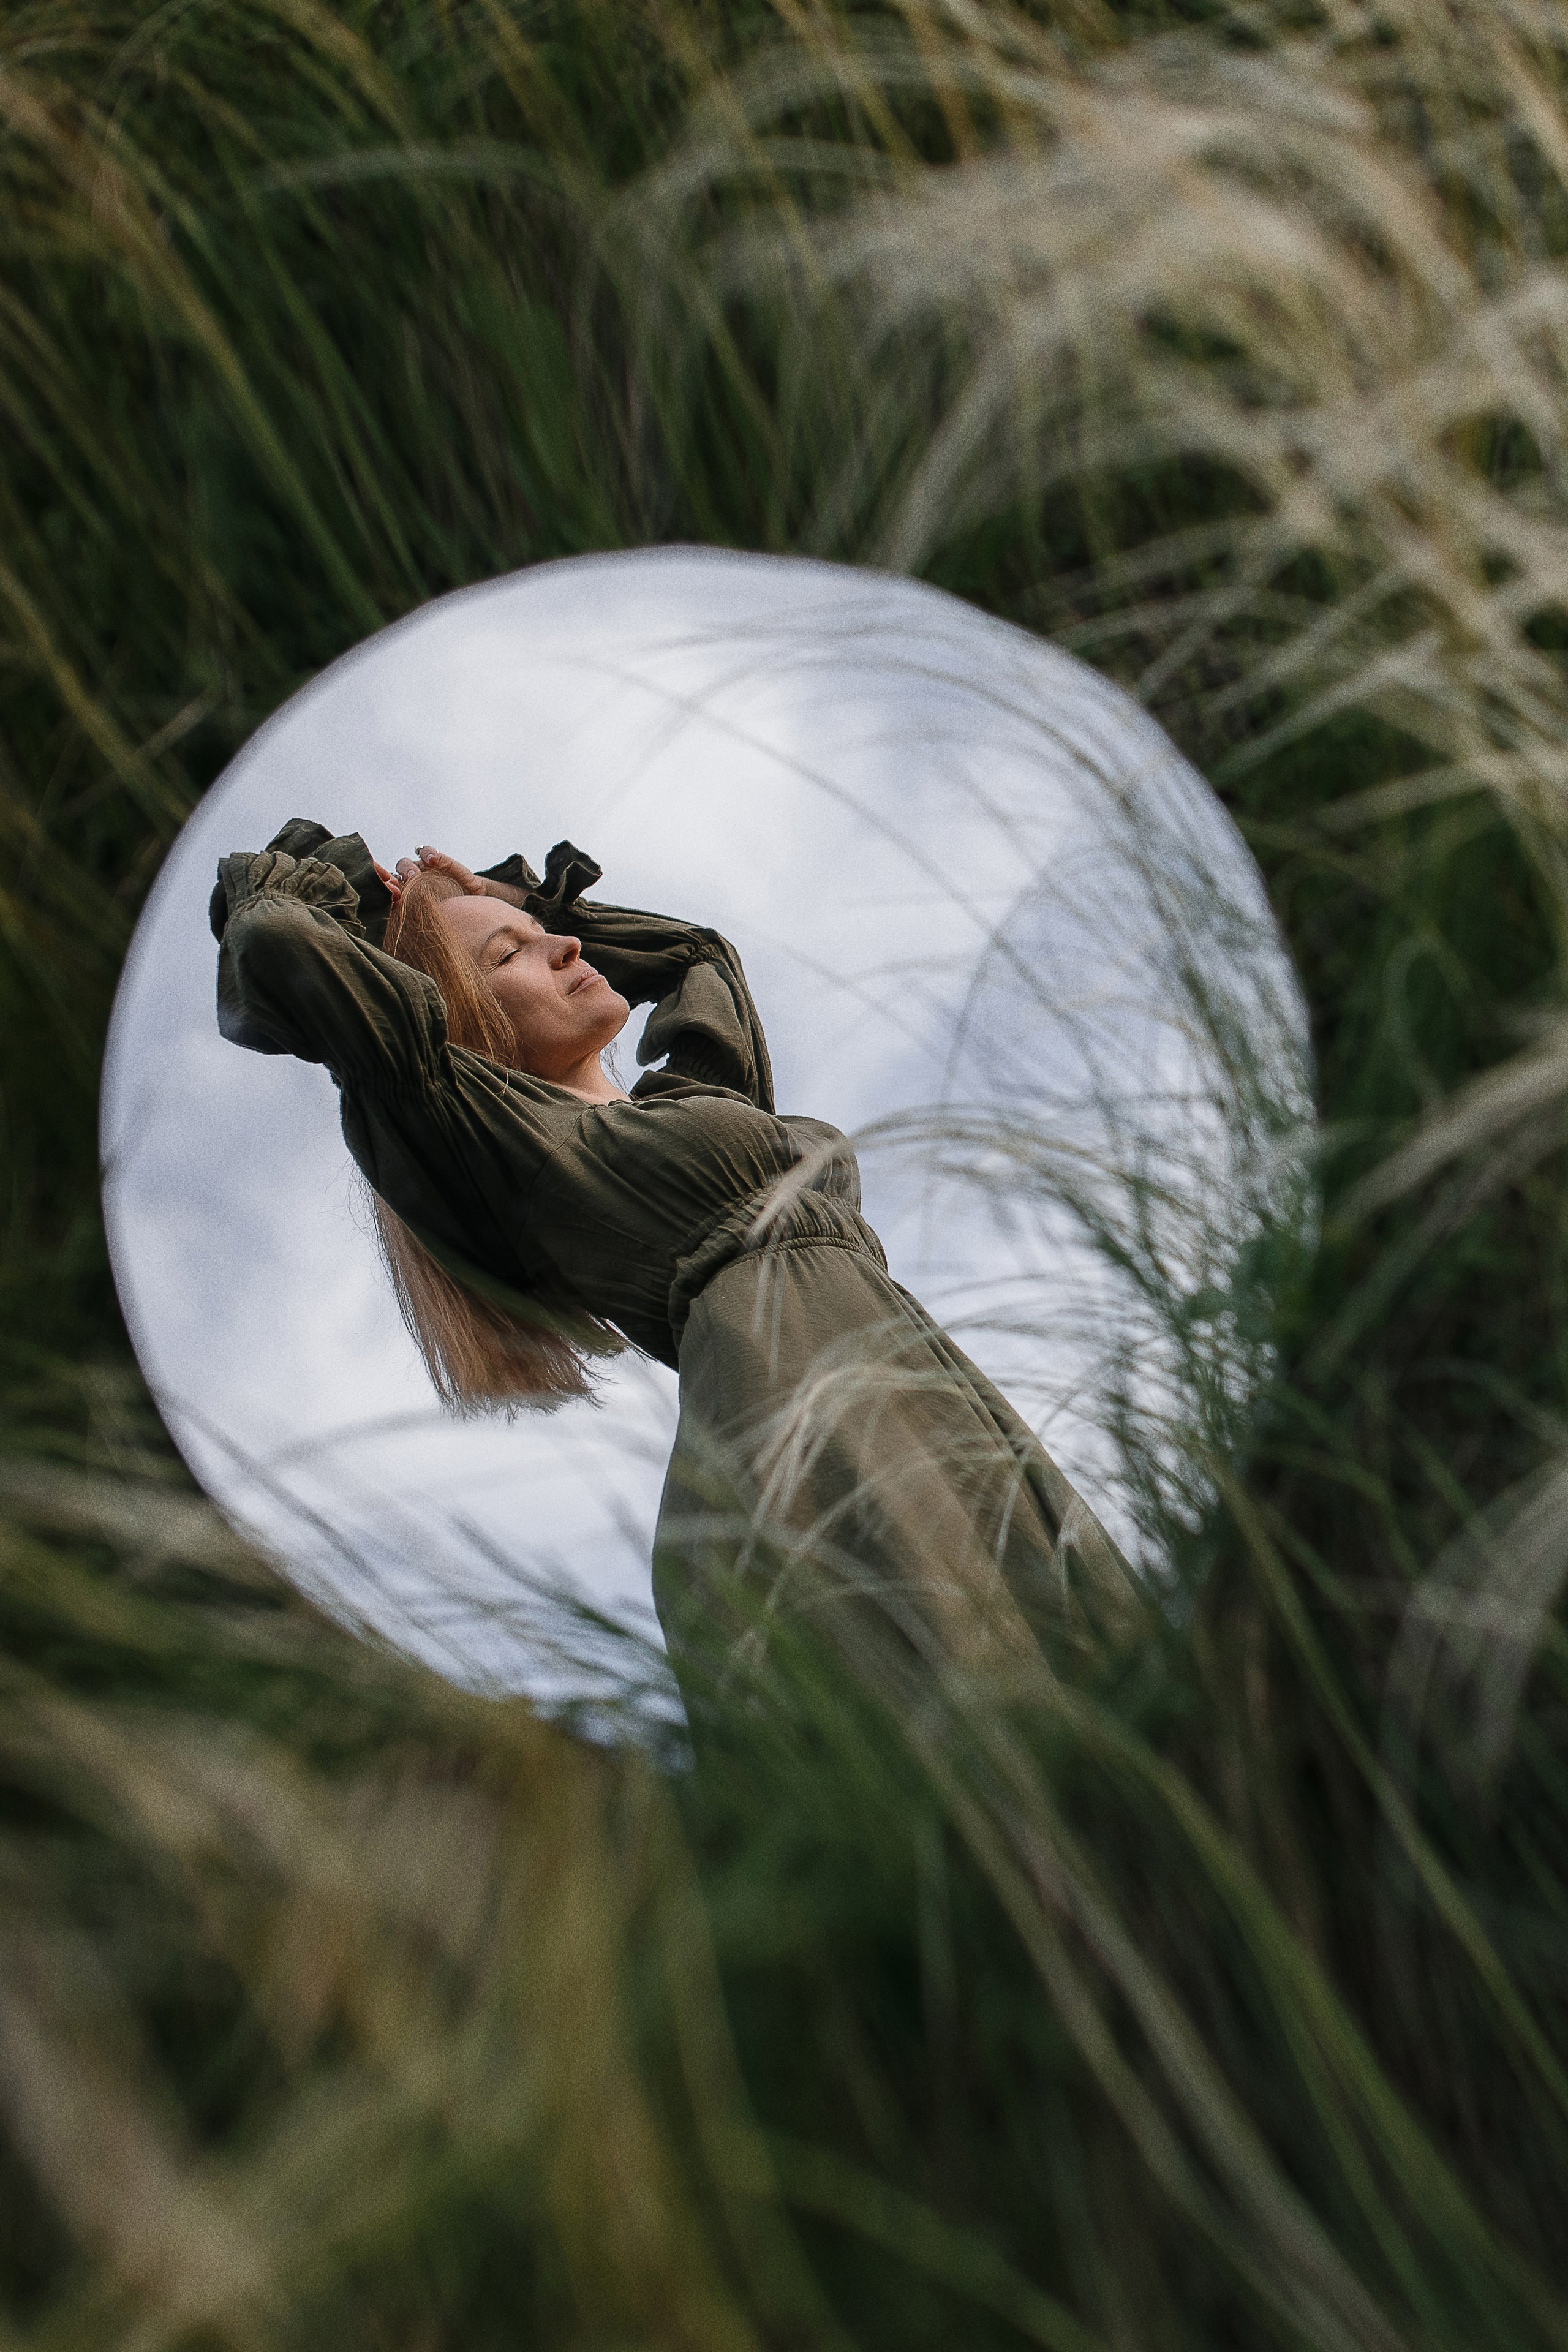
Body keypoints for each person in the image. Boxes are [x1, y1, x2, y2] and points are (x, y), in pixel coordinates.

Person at [211, 820, 1134, 1708]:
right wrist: (355, 896)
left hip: (912, 1374)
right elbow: (276, 943)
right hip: (786, 1405)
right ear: (459, 1022)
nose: (567, 951)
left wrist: (518, 902)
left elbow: (699, 959)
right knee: (968, 1700)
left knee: (1098, 1669)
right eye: (509, 957)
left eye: (550, 940)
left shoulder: (701, 1105)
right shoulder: (486, 1130)